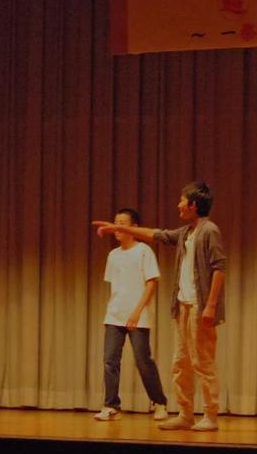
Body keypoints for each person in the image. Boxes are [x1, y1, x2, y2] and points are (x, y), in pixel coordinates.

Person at [94, 181, 226, 431]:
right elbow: (158, 234)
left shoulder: (209, 230)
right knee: (181, 363)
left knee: (203, 362)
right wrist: (117, 228)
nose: (178, 204)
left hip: (200, 306)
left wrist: (211, 305)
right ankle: (186, 414)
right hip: (183, 305)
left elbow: (219, 267)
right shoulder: (186, 233)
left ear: (193, 205)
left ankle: (210, 415)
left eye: (182, 200)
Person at [95, 208, 169, 422]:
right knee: (110, 361)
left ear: (134, 227)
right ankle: (111, 406)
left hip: (139, 316)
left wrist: (136, 312)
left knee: (143, 361)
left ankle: (159, 402)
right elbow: (116, 287)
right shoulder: (113, 255)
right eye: (115, 222)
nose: (116, 227)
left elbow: (151, 283)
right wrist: (114, 311)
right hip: (114, 315)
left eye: (122, 223)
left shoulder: (144, 251)